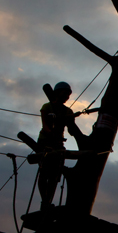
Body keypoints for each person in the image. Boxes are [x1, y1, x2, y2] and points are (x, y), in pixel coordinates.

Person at [36, 81, 84, 209]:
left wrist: (71, 119)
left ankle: (47, 201)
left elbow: (70, 129)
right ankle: (45, 200)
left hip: (58, 143)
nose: (67, 96)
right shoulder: (47, 107)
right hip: (45, 142)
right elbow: (45, 126)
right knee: (44, 174)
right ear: (57, 92)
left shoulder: (67, 110)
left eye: (69, 94)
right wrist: (51, 134)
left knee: (54, 176)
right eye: (65, 93)